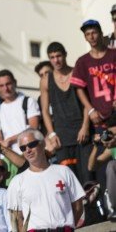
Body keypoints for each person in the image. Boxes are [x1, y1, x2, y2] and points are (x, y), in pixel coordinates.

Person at [8, 128, 85, 231]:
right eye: (23, 148)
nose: (28, 150)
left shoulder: (64, 172)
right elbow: (17, 219)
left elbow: (78, 207)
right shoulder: (17, 182)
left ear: (43, 144)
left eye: (31, 145)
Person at [40, 41, 92, 184]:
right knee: (68, 180)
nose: (56, 60)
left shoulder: (77, 73)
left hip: (83, 134)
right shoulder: (45, 80)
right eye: (52, 57)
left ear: (65, 55)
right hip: (62, 137)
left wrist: (85, 127)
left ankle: (92, 206)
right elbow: (44, 110)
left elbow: (87, 103)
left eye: (58, 56)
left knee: (87, 179)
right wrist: (51, 133)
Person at [71, 19, 116, 128]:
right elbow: (79, 89)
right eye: (88, 34)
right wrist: (91, 110)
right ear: (85, 38)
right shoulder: (82, 61)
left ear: (101, 33)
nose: (91, 37)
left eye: (94, 33)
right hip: (99, 117)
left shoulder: (114, 54)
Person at [0, 69, 41, 154]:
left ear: (15, 83)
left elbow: (33, 128)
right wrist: (2, 144)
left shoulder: (29, 101)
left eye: (8, 84)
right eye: (1, 85)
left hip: (30, 152)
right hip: (9, 157)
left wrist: (10, 140)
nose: (6, 88)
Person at [88, 126, 116, 220]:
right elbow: (91, 167)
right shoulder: (112, 149)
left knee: (112, 165)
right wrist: (95, 146)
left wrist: (110, 136)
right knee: (110, 165)